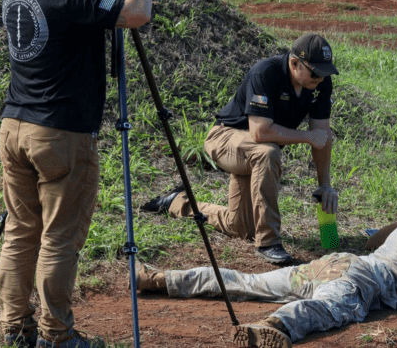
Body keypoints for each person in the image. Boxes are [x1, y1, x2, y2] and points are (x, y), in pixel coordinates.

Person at [0, 0, 156, 348]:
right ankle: (57, 336)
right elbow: (136, 13)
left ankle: (16, 330)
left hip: (14, 127)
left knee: (20, 233)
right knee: (59, 240)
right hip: (61, 135)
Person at [134, 184, 397, 348]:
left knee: (250, 282)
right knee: (326, 309)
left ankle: (162, 278)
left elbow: (374, 243)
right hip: (359, 280)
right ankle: (275, 325)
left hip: (336, 262)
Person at [141, 33, 340, 265]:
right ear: (295, 63)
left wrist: (324, 184)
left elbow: (322, 136)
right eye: (315, 71)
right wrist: (307, 137)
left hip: (253, 150)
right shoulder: (265, 73)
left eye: (325, 71)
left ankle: (177, 202)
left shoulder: (319, 83)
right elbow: (260, 132)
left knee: (240, 227)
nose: (321, 77)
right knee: (268, 152)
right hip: (225, 139)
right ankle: (269, 242)